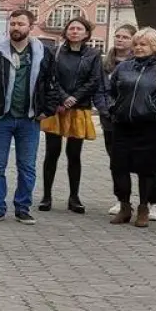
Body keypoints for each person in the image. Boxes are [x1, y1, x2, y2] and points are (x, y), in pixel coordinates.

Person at [0, 9, 56, 223]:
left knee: (27, 166)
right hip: (1, 118)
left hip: (29, 120)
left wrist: (46, 110)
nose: (16, 28)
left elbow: (52, 83)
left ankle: (23, 208)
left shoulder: (43, 52)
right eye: (13, 24)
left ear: (30, 26)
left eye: (20, 24)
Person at [104, 27, 156, 228]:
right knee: (118, 167)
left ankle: (143, 208)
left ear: (154, 46)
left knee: (147, 170)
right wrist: (113, 108)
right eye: (136, 44)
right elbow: (110, 91)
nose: (139, 47)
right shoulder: (124, 67)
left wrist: (153, 109)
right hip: (122, 125)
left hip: (150, 127)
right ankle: (124, 206)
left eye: (144, 44)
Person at [39, 18, 101, 213]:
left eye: (79, 28)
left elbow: (94, 80)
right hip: (57, 107)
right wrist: (64, 97)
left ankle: (74, 197)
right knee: (52, 152)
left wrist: (75, 97)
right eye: (71, 28)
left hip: (79, 107)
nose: (75, 31)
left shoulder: (93, 54)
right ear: (65, 32)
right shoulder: (54, 52)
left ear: (86, 33)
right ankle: (46, 196)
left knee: (74, 155)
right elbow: (51, 77)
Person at [95, 24, 137, 216]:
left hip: (133, 117)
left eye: (125, 37)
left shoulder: (139, 62)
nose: (120, 40)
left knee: (140, 160)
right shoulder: (105, 63)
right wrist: (104, 109)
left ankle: (151, 200)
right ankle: (121, 199)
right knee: (116, 161)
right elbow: (100, 88)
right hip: (110, 118)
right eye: (117, 36)